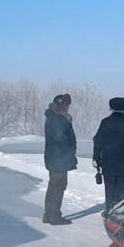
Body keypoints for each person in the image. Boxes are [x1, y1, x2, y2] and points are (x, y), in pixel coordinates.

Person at [92, 97, 124, 215]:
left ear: (111, 109)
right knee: (122, 192)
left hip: (108, 163)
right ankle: (119, 214)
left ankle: (109, 212)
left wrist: (96, 158)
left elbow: (98, 142)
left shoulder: (105, 123)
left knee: (109, 191)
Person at [43, 92, 77, 225]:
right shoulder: (58, 119)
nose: (68, 108)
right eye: (67, 105)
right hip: (59, 158)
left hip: (54, 157)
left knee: (53, 186)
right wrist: (70, 151)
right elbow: (61, 139)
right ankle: (55, 216)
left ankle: (48, 214)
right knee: (58, 186)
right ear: (62, 106)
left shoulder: (53, 117)